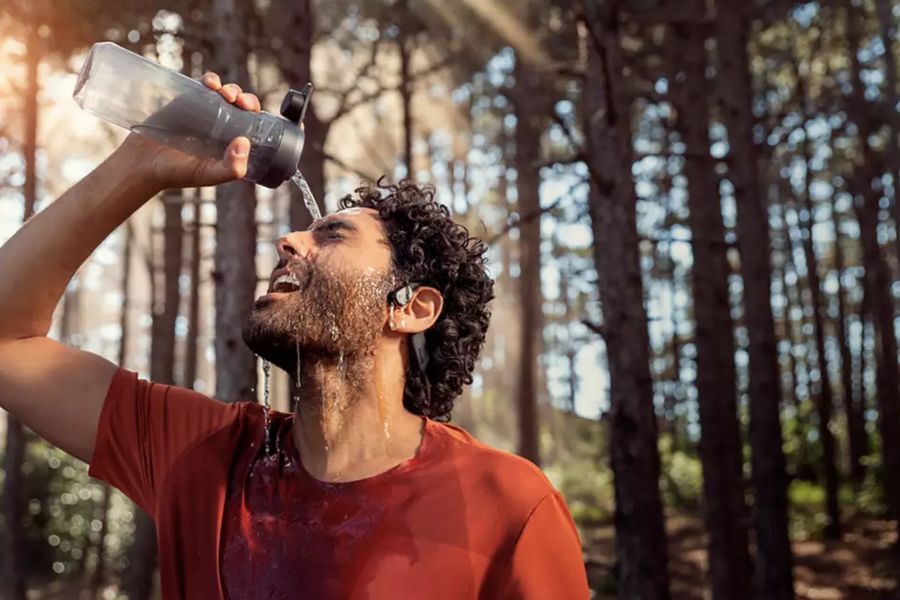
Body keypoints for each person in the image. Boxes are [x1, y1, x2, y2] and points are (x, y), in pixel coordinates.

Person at [0, 71, 590, 599]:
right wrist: (138, 167)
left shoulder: (507, 504)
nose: (288, 241)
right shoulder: (203, 454)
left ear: (412, 308)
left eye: (332, 236)